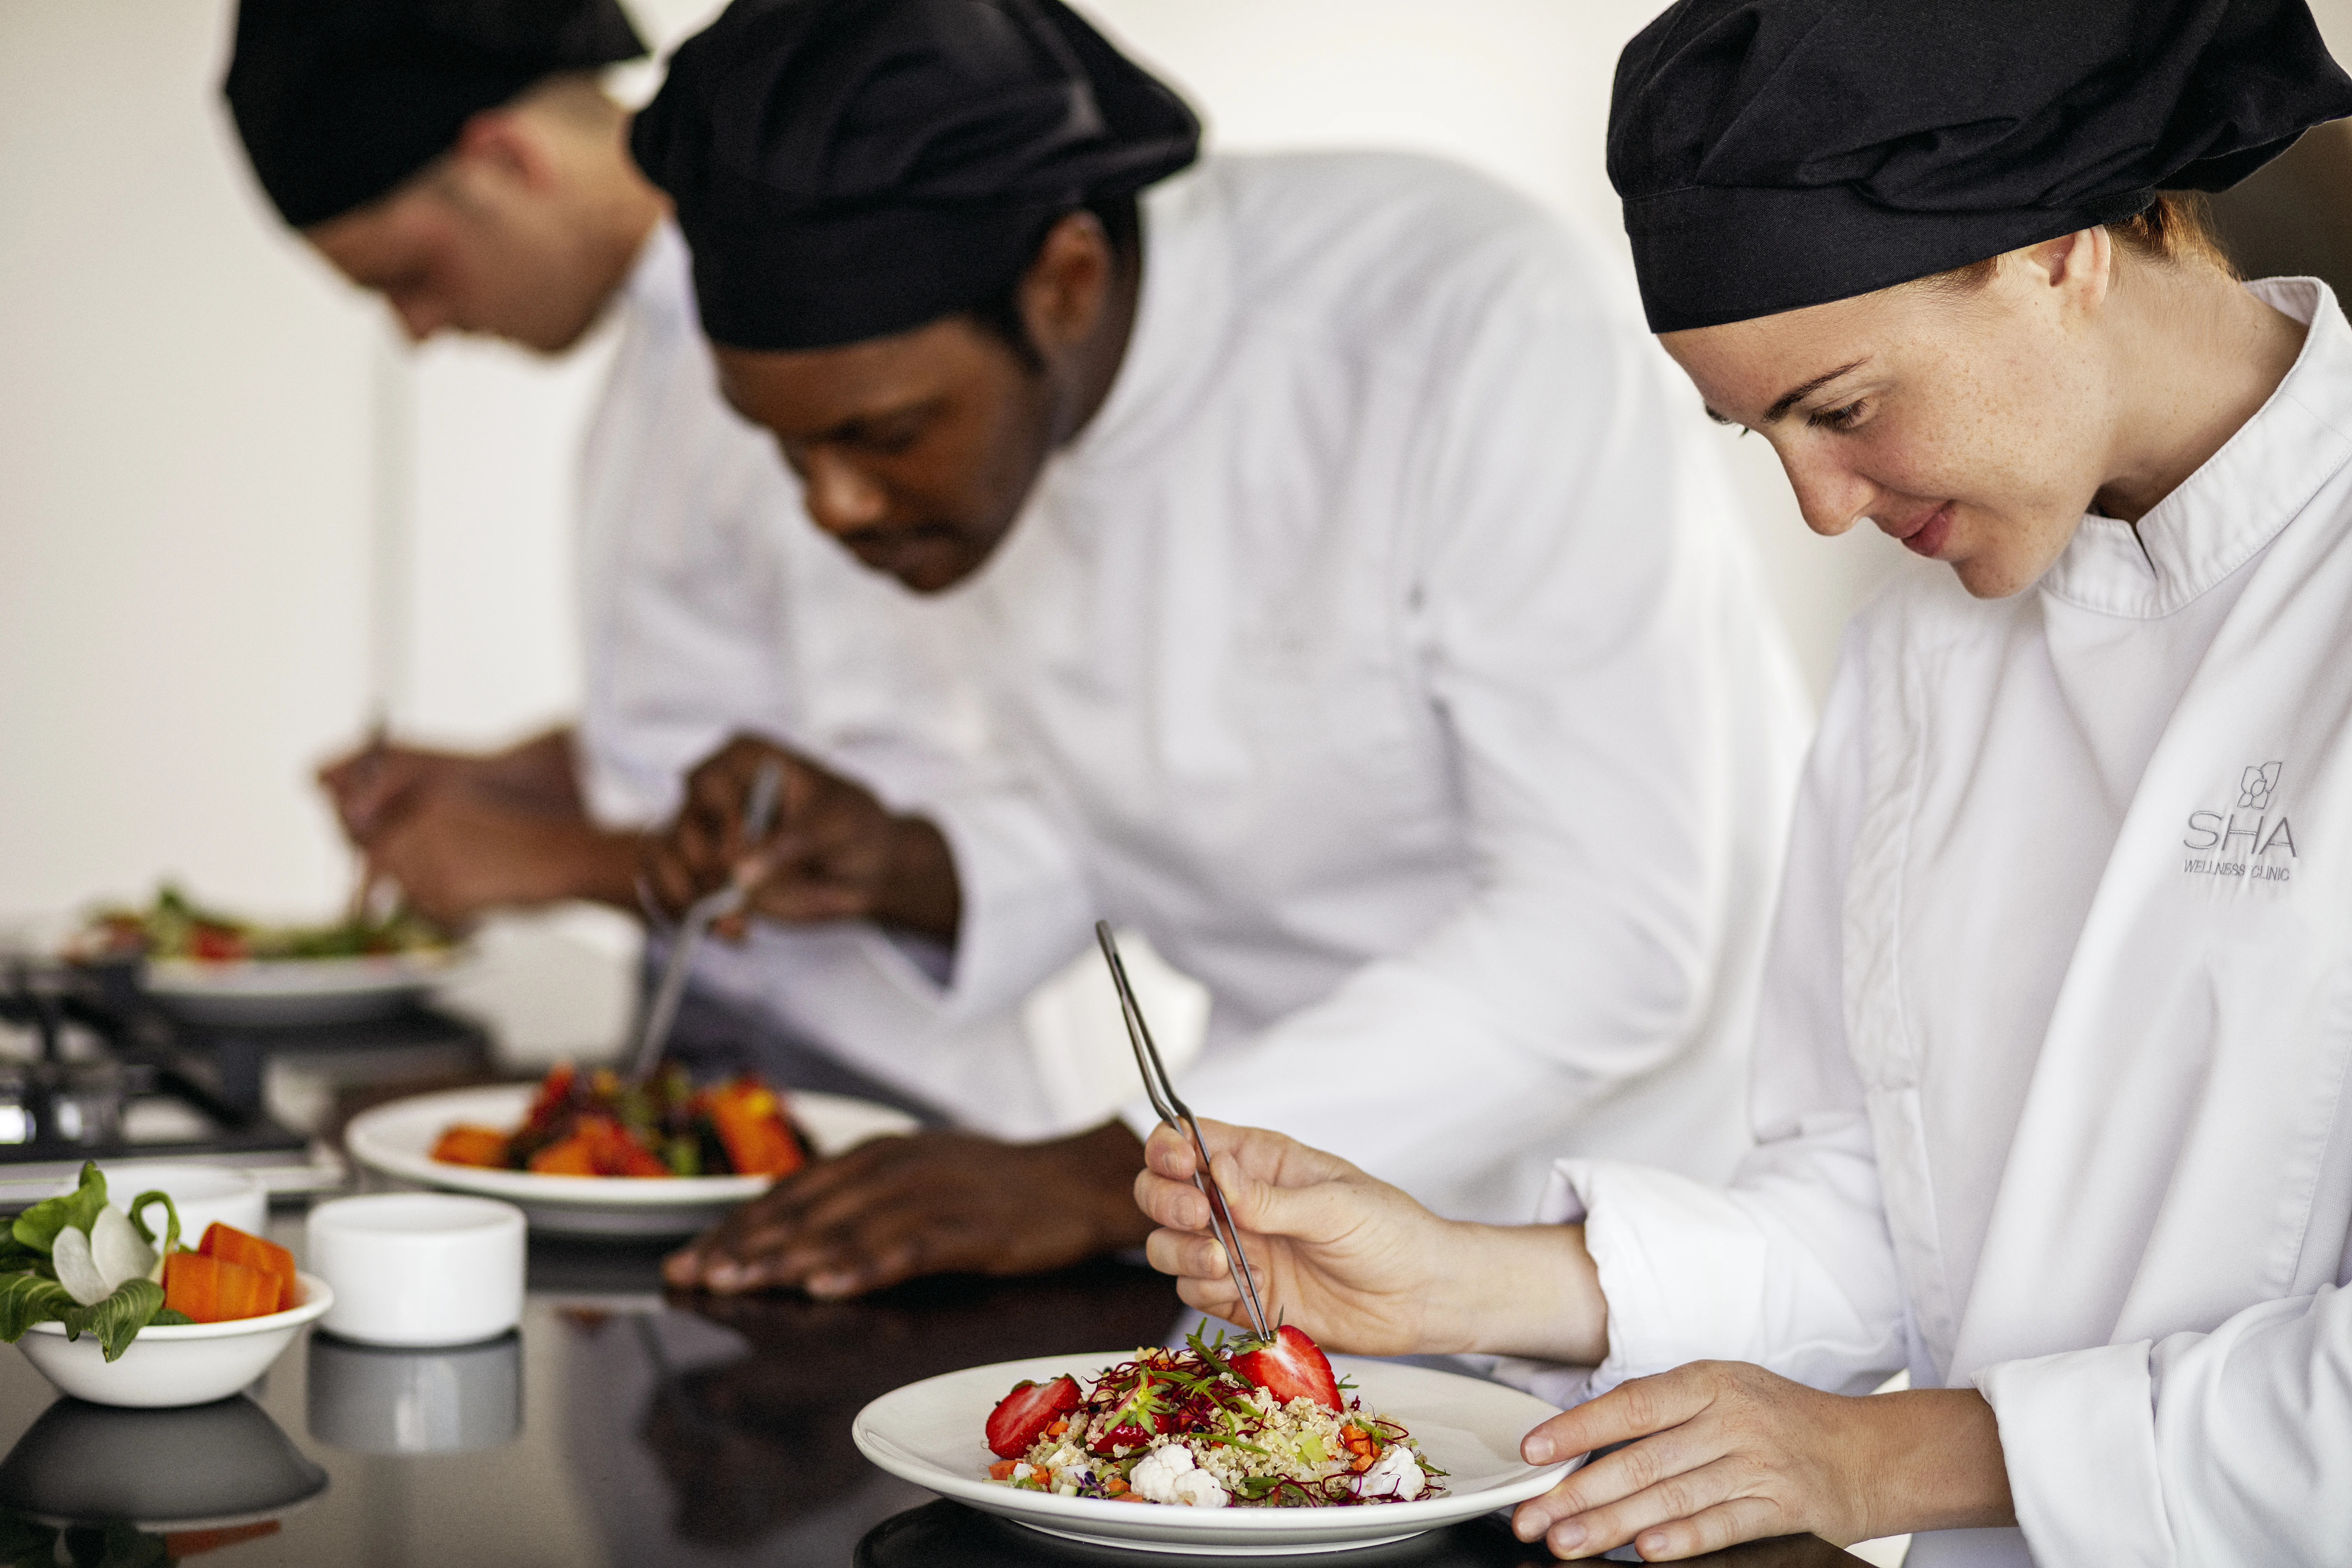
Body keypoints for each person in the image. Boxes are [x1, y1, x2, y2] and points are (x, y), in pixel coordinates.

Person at [1136, 1, 2352, 1563]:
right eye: (1759, 433)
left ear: (2059, 249)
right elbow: (1880, 1205)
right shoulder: (1938, 641)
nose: (1822, 506)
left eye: (1842, 409)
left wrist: (1892, 1456)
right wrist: (1457, 1276)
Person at [635, 0, 1809, 1300]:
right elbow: (1164, 804)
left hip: (1614, 1232)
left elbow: (1611, 936)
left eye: (884, 437)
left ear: (1067, 282)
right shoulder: (990, 452)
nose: (832, 508)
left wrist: (1123, 1165)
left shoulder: (1467, 316)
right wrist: (905, 863)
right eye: (788, 450)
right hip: (1264, 1220)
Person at [222, 0, 1072, 1130]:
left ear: (506, 158)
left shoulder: (814, 358)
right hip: (728, 1063)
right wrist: (517, 777)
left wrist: (547, 859)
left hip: (898, 1099)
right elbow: (728, 715)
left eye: (404, 275)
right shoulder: (652, 361)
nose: (416, 331)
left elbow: (916, 795)